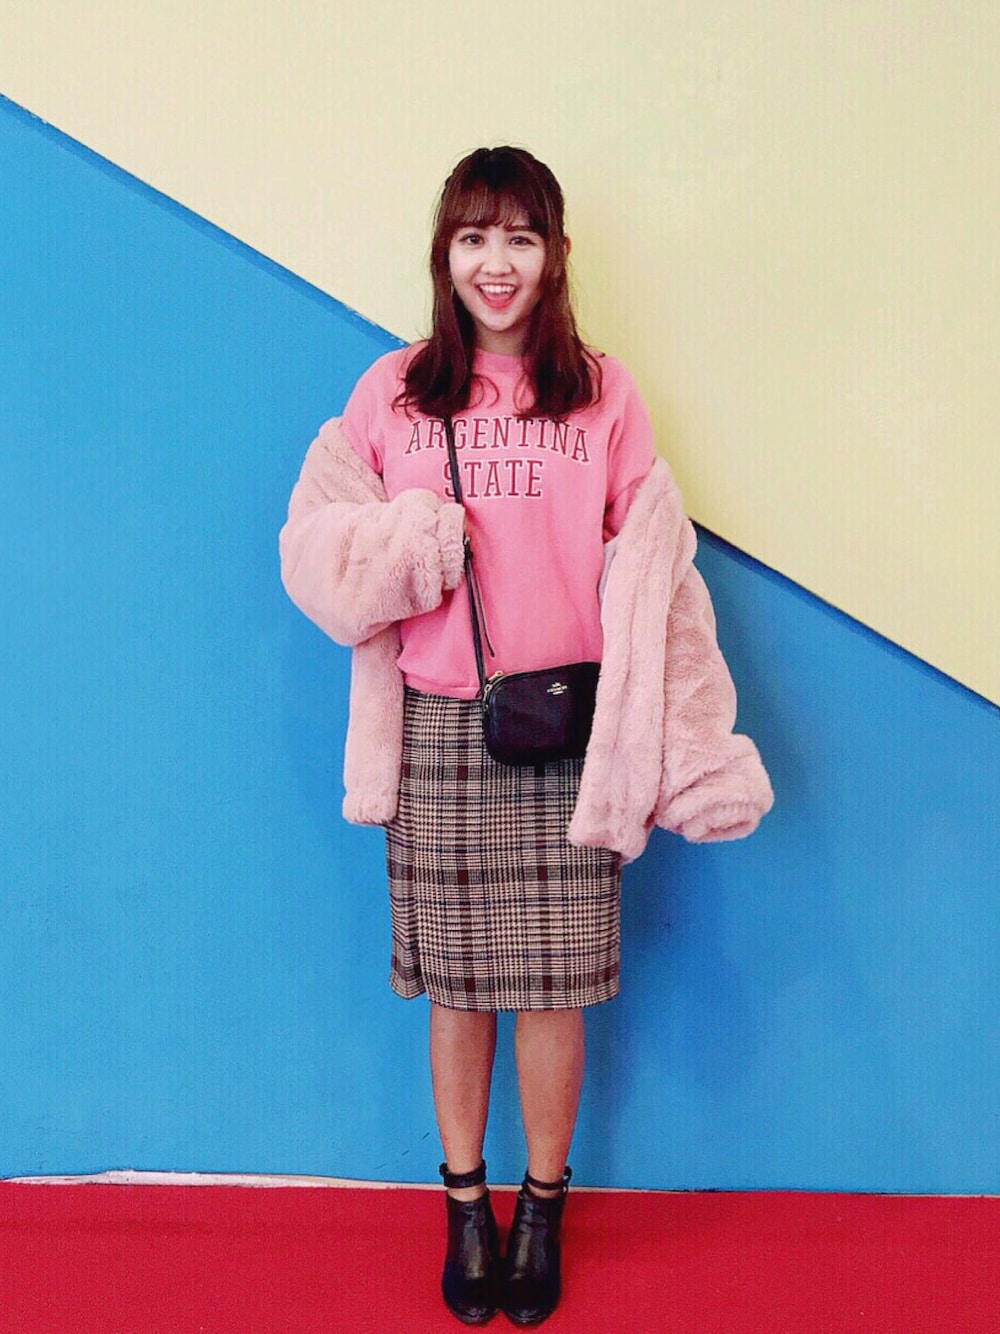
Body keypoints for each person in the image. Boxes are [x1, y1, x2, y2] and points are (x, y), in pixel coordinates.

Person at [279, 146, 773, 1327]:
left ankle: (541, 1208)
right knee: (458, 991)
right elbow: (314, 550)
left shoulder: (602, 393)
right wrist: (408, 547)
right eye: (472, 237)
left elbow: (658, 576)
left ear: (554, 255)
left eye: (519, 237)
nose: (494, 263)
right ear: (443, 254)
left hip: (568, 730)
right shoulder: (392, 392)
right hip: (441, 730)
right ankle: (465, 1205)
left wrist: (693, 748)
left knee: (555, 991)